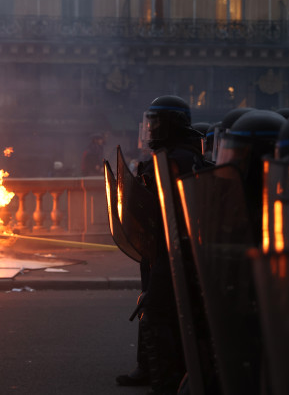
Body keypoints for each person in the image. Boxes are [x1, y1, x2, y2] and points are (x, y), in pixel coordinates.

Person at [116, 95, 205, 395]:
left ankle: (166, 380)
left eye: (157, 124)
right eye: (149, 123)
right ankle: (155, 371)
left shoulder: (177, 159)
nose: (151, 130)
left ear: (173, 125)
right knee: (156, 305)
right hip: (165, 245)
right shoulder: (179, 154)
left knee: (157, 311)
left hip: (175, 246)